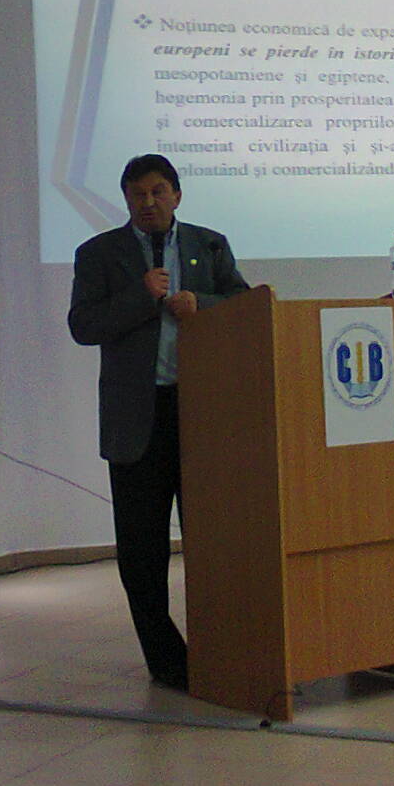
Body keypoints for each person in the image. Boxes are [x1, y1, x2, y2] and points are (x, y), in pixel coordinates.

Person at [67, 153, 249, 691]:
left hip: (201, 413)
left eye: (157, 192)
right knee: (141, 550)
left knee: (213, 540)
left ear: (177, 195)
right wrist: (141, 296)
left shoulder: (209, 245)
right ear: (126, 199)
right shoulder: (99, 253)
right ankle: (167, 659)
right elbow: (83, 326)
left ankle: (222, 647)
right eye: (137, 194)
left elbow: (243, 303)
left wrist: (203, 304)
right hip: (136, 419)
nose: (148, 202)